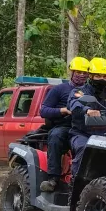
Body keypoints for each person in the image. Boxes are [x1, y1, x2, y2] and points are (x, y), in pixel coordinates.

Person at [39, 56, 91, 192]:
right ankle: (53, 179)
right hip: (65, 126)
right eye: (78, 72)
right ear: (72, 72)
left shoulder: (91, 91)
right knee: (55, 136)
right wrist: (63, 110)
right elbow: (43, 110)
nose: (81, 75)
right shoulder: (59, 90)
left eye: (84, 73)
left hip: (87, 127)